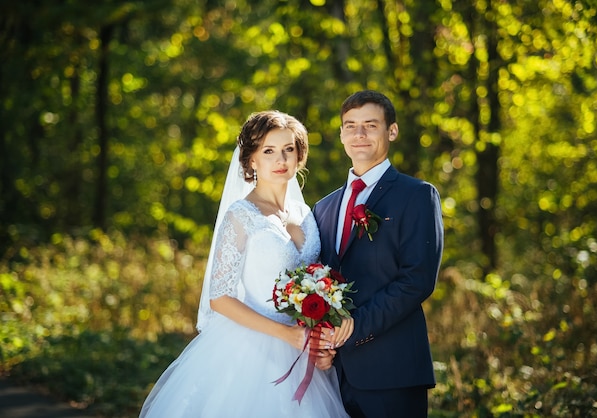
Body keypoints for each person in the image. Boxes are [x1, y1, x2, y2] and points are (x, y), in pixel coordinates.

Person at [139, 111, 350, 417]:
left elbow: (316, 286)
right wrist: (286, 335)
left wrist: (317, 338)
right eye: (269, 151)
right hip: (252, 350)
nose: (281, 159)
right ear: (251, 160)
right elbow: (220, 298)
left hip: (303, 348)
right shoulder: (240, 215)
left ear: (299, 156)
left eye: (288, 149)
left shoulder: (306, 213)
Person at [312, 90, 444, 418]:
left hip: (393, 370)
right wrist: (323, 340)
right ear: (341, 134)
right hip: (331, 376)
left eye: (371, 125)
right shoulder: (323, 208)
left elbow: (417, 280)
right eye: (351, 126)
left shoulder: (417, 196)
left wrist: (355, 325)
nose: (359, 135)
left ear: (392, 131)